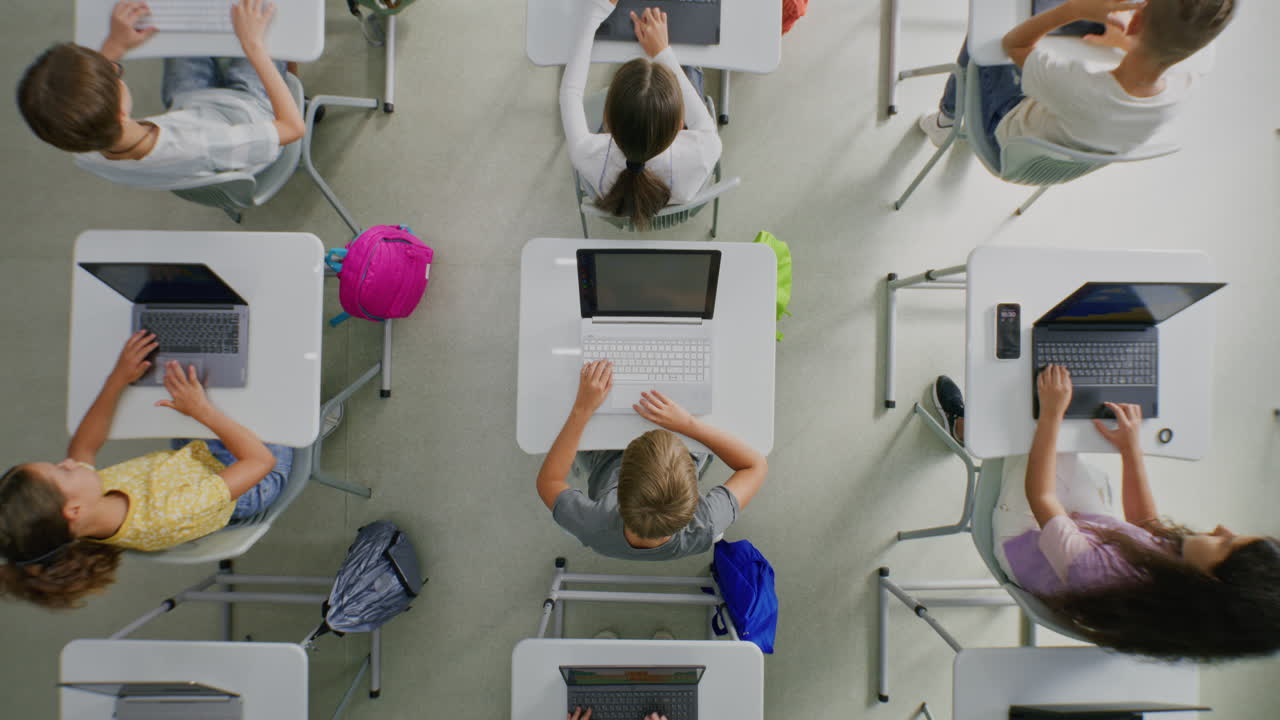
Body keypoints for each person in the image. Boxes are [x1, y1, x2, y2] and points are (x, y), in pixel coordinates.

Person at [930, 370, 1280, 661]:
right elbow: (1150, 529)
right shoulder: (1179, 585)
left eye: (1226, 542)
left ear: (1211, 583)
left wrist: (1051, 413)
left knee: (1037, 419)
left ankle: (963, 428)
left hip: (1025, 536)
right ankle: (1032, 416)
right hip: (1085, 534)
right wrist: (1131, 450)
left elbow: (1041, 497)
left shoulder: (1104, 577)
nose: (1221, 528)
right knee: (1067, 425)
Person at [0, 331, 292, 609]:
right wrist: (202, 412)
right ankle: (313, 427)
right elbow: (259, 462)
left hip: (194, 458)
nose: (67, 463)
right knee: (276, 381)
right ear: (73, 511)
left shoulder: (88, 507)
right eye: (61, 472)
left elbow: (83, 446)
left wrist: (117, 379)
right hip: (251, 478)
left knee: (211, 369)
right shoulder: (167, 513)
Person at [17, 0, 305, 188]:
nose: (114, 68)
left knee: (182, 28)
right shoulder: (201, 145)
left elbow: (84, 102)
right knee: (262, 22)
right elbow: (292, 128)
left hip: (189, 109)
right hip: (247, 115)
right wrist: (252, 45)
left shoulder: (84, 148)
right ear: (120, 111)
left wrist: (114, 44)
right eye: (114, 74)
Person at [918, 0, 1235, 155]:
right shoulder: (1186, 83)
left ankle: (946, 120)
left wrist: (1073, 10)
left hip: (1004, 136)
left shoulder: (1076, 83)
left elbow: (1013, 44)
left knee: (985, 36)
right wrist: (1128, 42)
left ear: (1136, 21)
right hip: (1063, 147)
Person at [536, 360, 767, 561]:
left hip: (606, 457)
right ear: (694, 498)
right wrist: (688, 425)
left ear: (618, 490)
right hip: (683, 430)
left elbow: (549, 482)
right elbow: (755, 465)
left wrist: (582, 408)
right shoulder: (706, 524)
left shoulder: (594, 525)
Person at [560, 0, 721, 229]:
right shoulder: (705, 151)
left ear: (607, 123)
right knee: (690, 67)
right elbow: (703, 121)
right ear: (680, 126)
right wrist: (663, 51)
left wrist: (596, 13)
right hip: (683, 190)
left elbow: (570, 93)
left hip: (618, 186)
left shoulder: (588, 154)